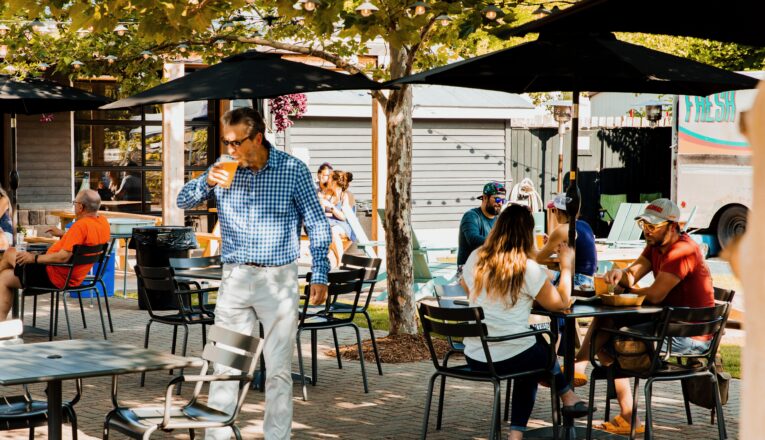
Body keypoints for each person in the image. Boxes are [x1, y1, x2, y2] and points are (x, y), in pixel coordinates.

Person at [177, 107, 331, 440]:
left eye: (236, 143)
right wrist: (206, 179)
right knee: (224, 365)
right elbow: (182, 199)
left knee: (277, 371)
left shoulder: (292, 170)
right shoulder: (222, 167)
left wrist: (320, 271)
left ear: (257, 138)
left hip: (278, 281)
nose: (230, 150)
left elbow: (317, 223)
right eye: (225, 142)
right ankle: (217, 435)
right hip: (233, 279)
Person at [574, 198, 714, 435]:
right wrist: (621, 274)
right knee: (607, 324)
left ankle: (577, 371)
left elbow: (657, 295)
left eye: (652, 226)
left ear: (672, 226)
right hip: (668, 324)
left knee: (614, 337)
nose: (646, 231)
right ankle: (581, 372)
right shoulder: (655, 244)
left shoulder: (682, 250)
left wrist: (629, 289)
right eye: (643, 225)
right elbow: (634, 273)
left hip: (689, 337)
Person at [460, 204, 594, 439]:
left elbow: (465, 285)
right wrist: (565, 266)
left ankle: (524, 430)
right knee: (538, 349)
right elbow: (561, 303)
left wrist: (507, 300)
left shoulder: (476, 257)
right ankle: (566, 396)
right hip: (508, 355)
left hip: (475, 354)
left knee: (530, 357)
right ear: (527, 234)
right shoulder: (526, 268)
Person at [0, 190, 110, 321]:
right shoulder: (103, 223)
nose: (74, 206)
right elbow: (86, 241)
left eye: (75, 203)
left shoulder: (80, 226)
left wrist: (33, 258)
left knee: (10, 252)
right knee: (5, 276)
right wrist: (64, 234)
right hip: (73, 275)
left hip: (54, 274)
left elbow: (62, 257)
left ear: (81, 207)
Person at [535, 193, 598, 290]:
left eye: (553, 211)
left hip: (576, 281)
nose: (554, 214)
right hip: (590, 281)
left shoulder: (562, 230)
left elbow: (538, 258)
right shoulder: (585, 225)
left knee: (532, 273)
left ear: (558, 212)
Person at [457, 181, 507, 271]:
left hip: (489, 268)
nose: (500, 203)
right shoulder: (471, 216)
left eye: (503, 200)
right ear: (484, 198)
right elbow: (473, 239)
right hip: (468, 270)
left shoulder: (500, 220)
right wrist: (500, 243)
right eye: (497, 199)